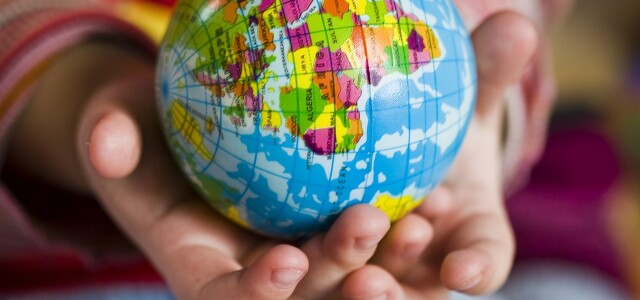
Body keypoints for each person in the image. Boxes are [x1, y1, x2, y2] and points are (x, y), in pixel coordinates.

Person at [0, 0, 571, 298]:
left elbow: (519, 20)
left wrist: (478, 115)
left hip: (417, 248)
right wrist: (76, 90)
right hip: (64, 272)